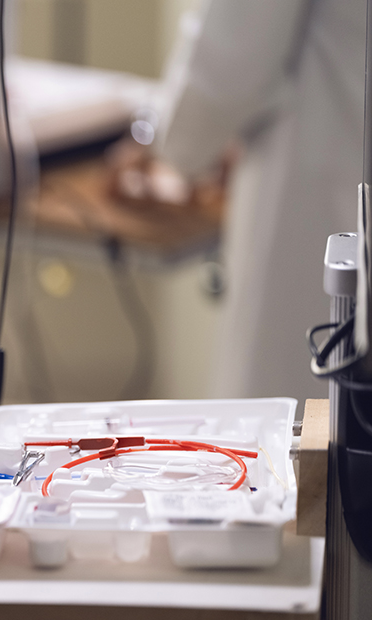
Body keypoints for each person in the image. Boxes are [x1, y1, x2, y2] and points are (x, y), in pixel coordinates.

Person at [156, 0, 365, 406]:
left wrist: (170, 147)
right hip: (342, 165)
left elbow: (228, 68)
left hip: (313, 197)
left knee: (292, 435)